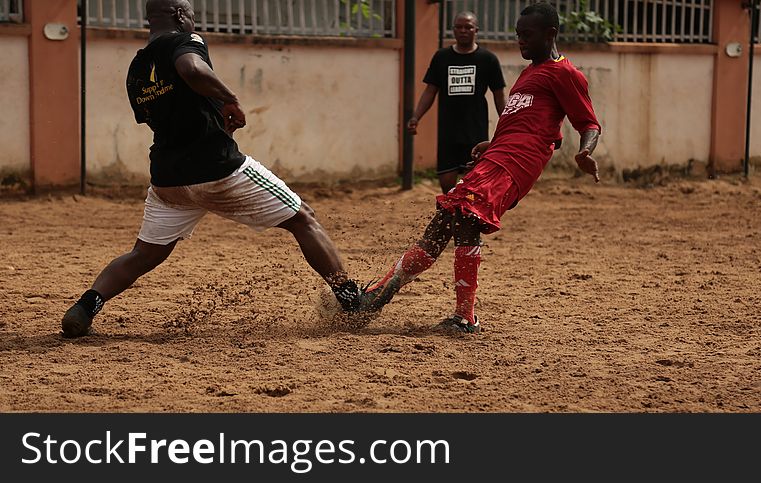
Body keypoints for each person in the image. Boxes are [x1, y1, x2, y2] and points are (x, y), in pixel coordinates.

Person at [61, 0, 366, 338]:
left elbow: (160, 118)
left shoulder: (137, 67)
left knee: (143, 254)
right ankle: (352, 300)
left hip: (168, 179)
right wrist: (230, 98)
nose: (194, 20)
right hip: (218, 169)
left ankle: (86, 306)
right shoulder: (186, 41)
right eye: (191, 14)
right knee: (302, 218)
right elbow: (191, 70)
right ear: (180, 15)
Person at [362, 2, 601, 333]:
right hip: (497, 157)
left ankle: (464, 316)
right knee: (443, 222)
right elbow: (526, 122)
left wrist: (585, 152)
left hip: (514, 165)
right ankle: (378, 295)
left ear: (551, 34)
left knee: (467, 217)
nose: (520, 41)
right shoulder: (530, 73)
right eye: (518, 35)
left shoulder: (565, 74)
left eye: (527, 35)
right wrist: (493, 142)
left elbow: (589, 123)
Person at [407, 11, 507, 194]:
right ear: (453, 30)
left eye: (468, 27)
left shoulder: (488, 59)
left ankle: (469, 220)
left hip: (475, 131)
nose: (463, 30)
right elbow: (430, 90)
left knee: (473, 184)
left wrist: (509, 124)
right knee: (447, 185)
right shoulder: (442, 57)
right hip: (448, 131)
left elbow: (499, 95)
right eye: (459, 27)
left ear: (476, 30)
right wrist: (416, 117)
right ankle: (452, 219)